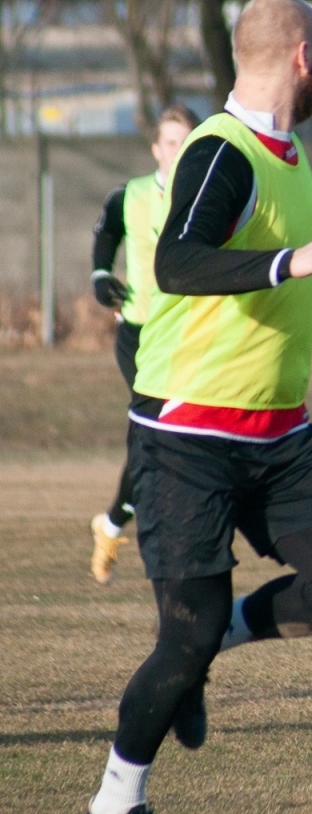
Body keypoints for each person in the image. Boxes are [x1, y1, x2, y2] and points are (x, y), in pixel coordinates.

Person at [83, 0, 312, 814]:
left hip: (279, 434)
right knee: (181, 642)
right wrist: (295, 259)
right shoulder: (224, 151)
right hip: (187, 438)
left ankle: (220, 642)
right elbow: (178, 262)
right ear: (302, 57)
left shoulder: (289, 156)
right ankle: (114, 810)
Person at [88, 103, 201, 584]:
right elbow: (107, 231)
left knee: (171, 438)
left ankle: (112, 523)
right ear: (157, 148)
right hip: (138, 334)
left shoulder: (205, 197)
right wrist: (100, 276)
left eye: (187, 143)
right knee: (156, 434)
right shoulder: (130, 195)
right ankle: (141, 531)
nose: (178, 151)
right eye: (171, 142)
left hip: (191, 335)